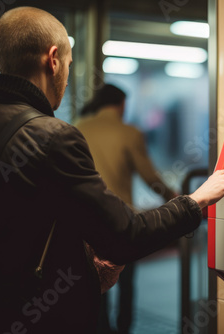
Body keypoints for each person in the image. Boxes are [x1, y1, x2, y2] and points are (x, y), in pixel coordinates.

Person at [0, 7, 224, 334]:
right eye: (70, 66)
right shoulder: (54, 136)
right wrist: (195, 200)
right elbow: (126, 236)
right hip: (47, 316)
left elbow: (6, 222)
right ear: (54, 59)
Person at [76, 84, 178, 334]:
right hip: (120, 221)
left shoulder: (77, 128)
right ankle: (123, 329)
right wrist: (175, 198)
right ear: (121, 104)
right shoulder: (129, 133)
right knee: (126, 282)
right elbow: (149, 177)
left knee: (93, 284)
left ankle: (100, 328)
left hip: (84, 223)